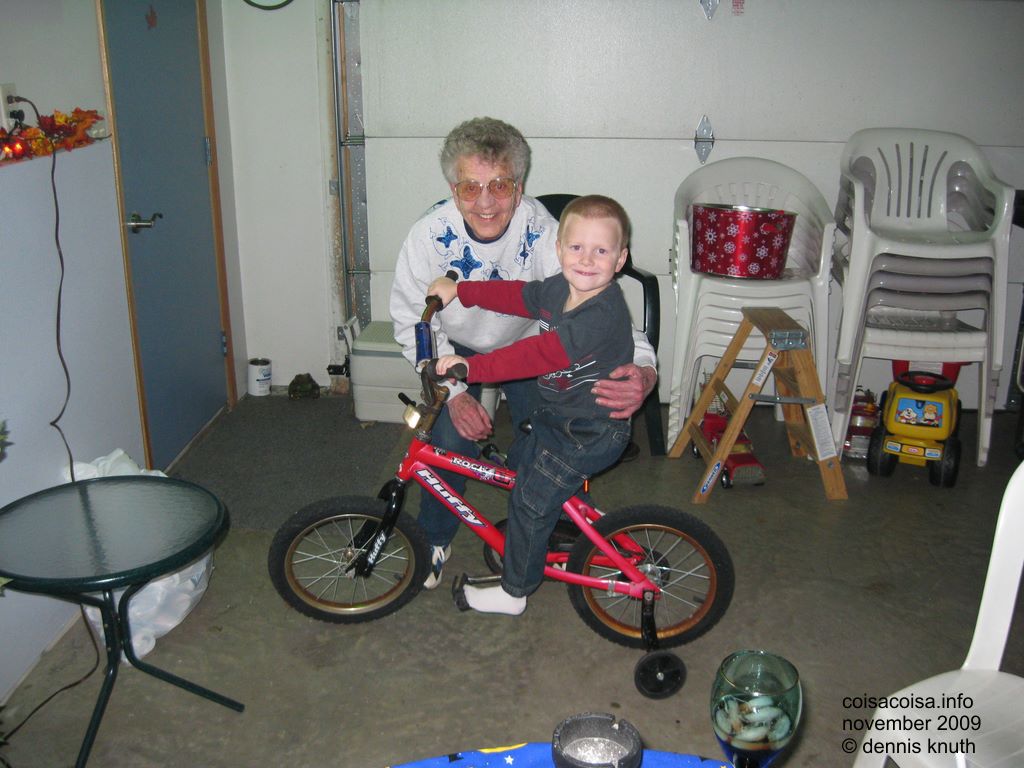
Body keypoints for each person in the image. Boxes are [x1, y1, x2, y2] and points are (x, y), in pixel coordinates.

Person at [390, 117, 657, 590]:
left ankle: (557, 520)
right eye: (471, 187)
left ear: (519, 187)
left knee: (551, 444)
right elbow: (414, 324)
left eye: (500, 184)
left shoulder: (546, 233)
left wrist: (642, 371)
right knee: (449, 440)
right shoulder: (427, 237)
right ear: (453, 190)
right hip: (459, 348)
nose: (486, 201)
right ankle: (433, 539)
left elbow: (605, 321)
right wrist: (454, 392)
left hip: (537, 347)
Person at [428, 195, 635, 615]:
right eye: (576, 247)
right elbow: (519, 296)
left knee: (528, 502)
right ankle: (588, 523)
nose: (587, 259)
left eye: (602, 250)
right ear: (559, 250)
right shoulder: (562, 287)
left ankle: (514, 591)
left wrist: (471, 366)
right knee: (523, 463)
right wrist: (462, 291)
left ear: (620, 259)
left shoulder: (600, 312)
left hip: (589, 432)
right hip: (560, 416)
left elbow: (536, 355)